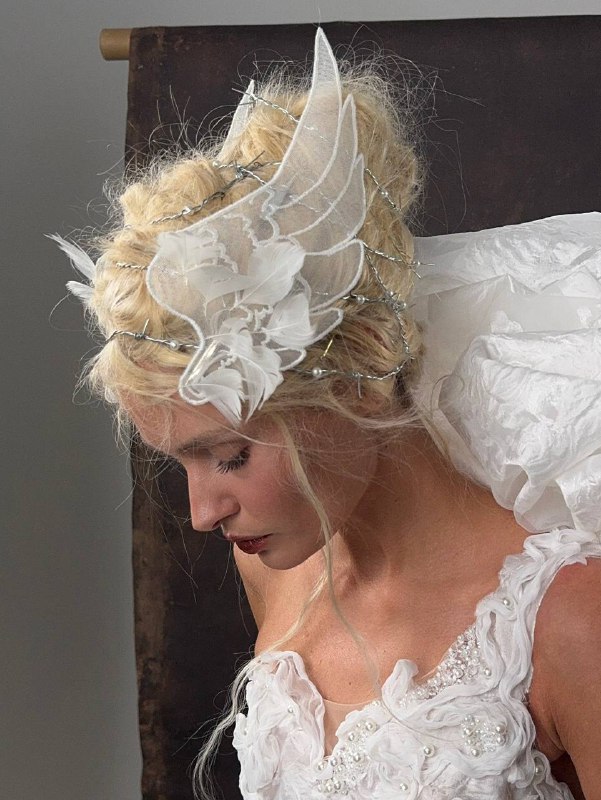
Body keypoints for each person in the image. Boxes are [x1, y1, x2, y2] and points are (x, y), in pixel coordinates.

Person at [54, 29, 601, 800]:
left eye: (229, 455)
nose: (202, 513)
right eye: (180, 462)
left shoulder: (571, 620)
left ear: (358, 387)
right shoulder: (274, 568)